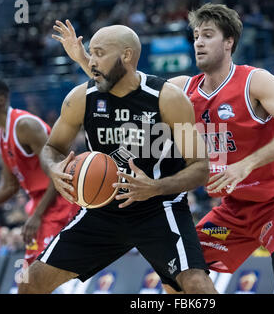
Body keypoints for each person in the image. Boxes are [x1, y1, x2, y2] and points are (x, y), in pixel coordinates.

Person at [54, 3, 274, 294]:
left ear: (229, 42)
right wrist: (86, 60)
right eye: (195, 36)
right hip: (232, 215)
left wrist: (247, 164)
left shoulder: (254, 81)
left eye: (208, 35)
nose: (199, 42)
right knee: (180, 278)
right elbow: (131, 90)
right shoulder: (181, 91)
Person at [17, 24, 217, 294]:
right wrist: (54, 170)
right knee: (31, 282)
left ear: (126, 55)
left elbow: (201, 169)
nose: (91, 61)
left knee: (197, 287)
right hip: (102, 210)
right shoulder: (80, 98)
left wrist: (155, 188)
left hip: (160, 208)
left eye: (99, 54)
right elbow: (52, 148)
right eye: (90, 54)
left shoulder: (167, 98)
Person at [0, 78, 80, 265]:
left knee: (40, 276)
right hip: (41, 207)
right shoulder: (2, 134)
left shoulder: (25, 126)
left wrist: (37, 216)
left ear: (1, 99)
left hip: (60, 203)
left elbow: (58, 173)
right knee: (29, 281)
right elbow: (9, 187)